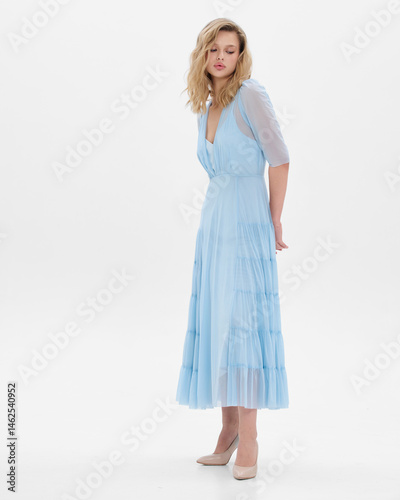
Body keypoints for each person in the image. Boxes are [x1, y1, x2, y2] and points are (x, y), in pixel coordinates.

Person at [175, 18, 290, 480]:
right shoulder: (205, 106)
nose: (221, 57)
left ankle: (251, 437)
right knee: (218, 321)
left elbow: (280, 157)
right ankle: (227, 432)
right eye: (214, 49)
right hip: (214, 223)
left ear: (241, 57)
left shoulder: (250, 95)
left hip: (246, 221)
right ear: (203, 55)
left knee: (243, 324)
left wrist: (274, 218)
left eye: (230, 50)